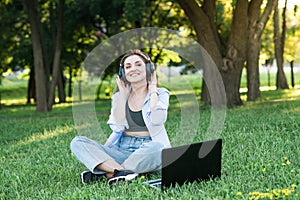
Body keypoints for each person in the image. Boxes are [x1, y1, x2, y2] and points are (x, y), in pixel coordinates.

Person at [70, 49, 171, 185]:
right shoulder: (119, 97)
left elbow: (158, 119)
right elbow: (117, 124)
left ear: (148, 68)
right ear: (123, 73)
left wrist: (152, 89)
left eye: (138, 64)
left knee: (159, 148)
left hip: (149, 148)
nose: (133, 69)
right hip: (122, 149)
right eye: (128, 67)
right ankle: (119, 173)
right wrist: (123, 96)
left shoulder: (161, 93)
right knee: (78, 142)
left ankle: (107, 172)